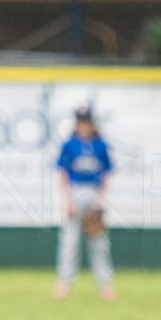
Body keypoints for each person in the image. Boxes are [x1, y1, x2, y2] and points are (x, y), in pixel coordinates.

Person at [54, 105, 116, 300]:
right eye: (80, 121)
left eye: (86, 121)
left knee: (99, 242)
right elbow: (62, 173)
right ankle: (64, 284)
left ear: (91, 122)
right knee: (69, 242)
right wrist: (67, 201)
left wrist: (102, 201)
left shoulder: (100, 144)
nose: (83, 125)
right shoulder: (69, 144)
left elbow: (107, 173)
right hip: (75, 191)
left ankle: (105, 285)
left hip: (93, 192)